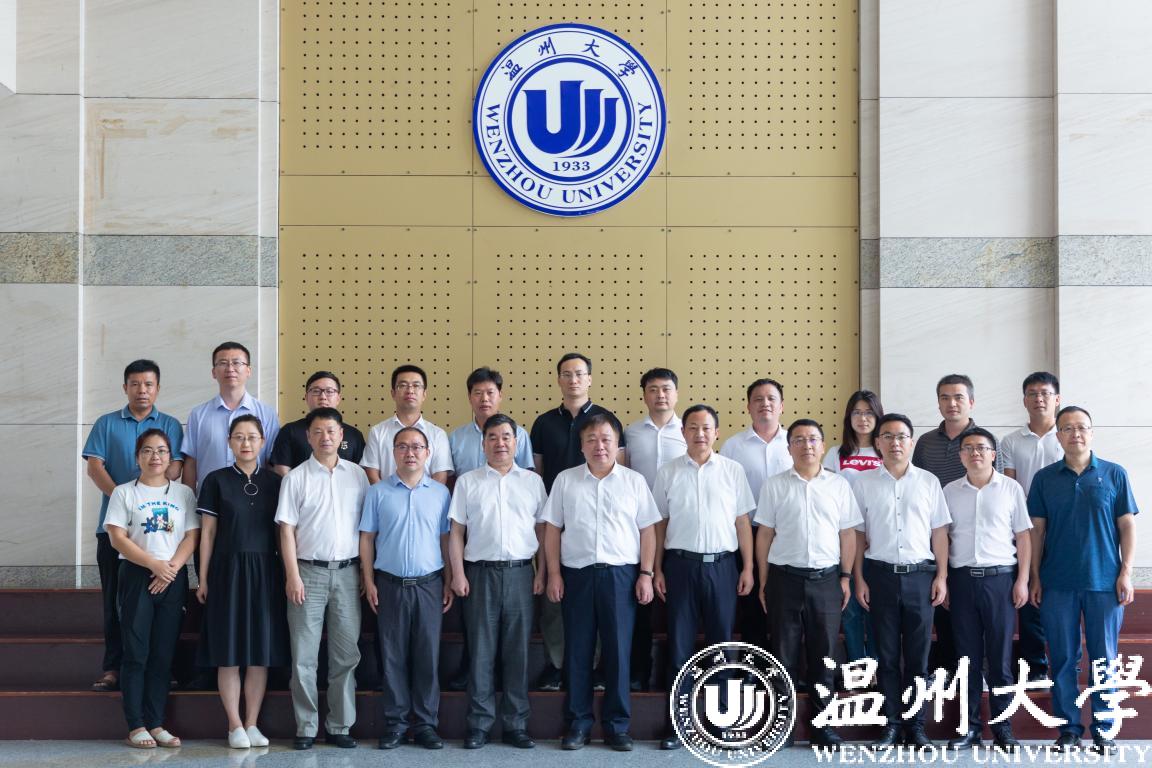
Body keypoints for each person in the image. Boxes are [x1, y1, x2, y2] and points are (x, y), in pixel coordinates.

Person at [541, 414, 659, 751]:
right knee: (577, 651)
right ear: (581, 446)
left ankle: (617, 726)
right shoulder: (565, 480)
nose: (599, 445)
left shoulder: (634, 481)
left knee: (618, 652)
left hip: (621, 576)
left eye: (606, 439)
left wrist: (646, 574)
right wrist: (553, 573)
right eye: (591, 439)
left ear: (618, 444)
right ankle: (578, 724)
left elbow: (648, 530)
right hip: (577, 575)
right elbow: (553, 529)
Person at [1029, 406, 1138, 755]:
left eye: (1082, 427)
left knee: (1104, 658)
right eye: (1067, 428)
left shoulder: (1114, 473)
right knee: (1062, 658)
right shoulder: (1044, 479)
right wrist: (1034, 577)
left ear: (1091, 433)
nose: (1075, 433)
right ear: (1058, 436)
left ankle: (1104, 729)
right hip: (1057, 582)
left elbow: (1127, 525)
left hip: (1104, 582)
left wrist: (1126, 572)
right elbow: (1037, 532)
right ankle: (1068, 729)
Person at [652, 404, 754, 750]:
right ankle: (678, 723)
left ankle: (721, 720)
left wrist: (748, 567)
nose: (699, 434)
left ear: (716, 432)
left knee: (720, 646)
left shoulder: (732, 470)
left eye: (706, 428)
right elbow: (660, 524)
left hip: (722, 567)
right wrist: (656, 568)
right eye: (693, 427)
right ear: (683, 432)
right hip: (680, 566)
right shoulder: (668, 472)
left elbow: (742, 522)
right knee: (679, 646)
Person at [756, 419, 860, 749]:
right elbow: (765, 534)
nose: (806, 445)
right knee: (782, 655)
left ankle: (822, 726)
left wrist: (846, 576)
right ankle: (781, 726)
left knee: (824, 656)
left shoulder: (838, 485)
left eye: (813, 439)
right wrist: (763, 580)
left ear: (823, 445)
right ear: (789, 448)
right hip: (783, 578)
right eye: (799, 440)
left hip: (826, 580)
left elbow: (848, 534)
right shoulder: (774, 485)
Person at [83, 359, 184, 694]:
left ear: (158, 388)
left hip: (160, 536)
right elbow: (94, 467)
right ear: (125, 387)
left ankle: (160, 668)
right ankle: (113, 667)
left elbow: (175, 469)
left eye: (149, 384)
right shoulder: (106, 423)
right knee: (115, 601)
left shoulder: (170, 425)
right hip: (115, 532)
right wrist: (126, 500)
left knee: (163, 606)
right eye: (136, 384)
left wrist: (145, 495)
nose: (142, 390)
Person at [448, 414, 546, 750]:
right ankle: (479, 725)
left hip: (521, 573)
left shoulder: (532, 482)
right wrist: (458, 573)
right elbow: (456, 531)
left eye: (506, 437)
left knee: (517, 652)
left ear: (516, 443)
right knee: (481, 652)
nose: (500, 443)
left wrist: (542, 572)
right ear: (483, 443)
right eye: (492, 437)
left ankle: (516, 724)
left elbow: (542, 531)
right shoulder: (468, 482)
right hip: (479, 575)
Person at [530, 352, 626, 691]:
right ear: (559, 380)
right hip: (554, 519)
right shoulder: (543, 423)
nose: (573, 380)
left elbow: (620, 469)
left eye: (579, 374)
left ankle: (596, 667)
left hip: (598, 521)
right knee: (554, 595)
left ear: (589, 379)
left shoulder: (606, 420)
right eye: (567, 374)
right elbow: (537, 474)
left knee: (598, 600)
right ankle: (557, 665)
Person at [853, 413, 950, 748]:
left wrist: (942, 575)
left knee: (919, 657)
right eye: (888, 436)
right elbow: (857, 536)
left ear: (911, 442)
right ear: (878, 443)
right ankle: (892, 724)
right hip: (879, 576)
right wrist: (858, 578)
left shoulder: (928, 482)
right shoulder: (863, 483)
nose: (895, 443)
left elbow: (939, 532)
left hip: (920, 577)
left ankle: (916, 725)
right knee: (887, 655)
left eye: (901, 437)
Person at [275, 407, 370, 751]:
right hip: (308, 574)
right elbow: (286, 531)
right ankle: (306, 726)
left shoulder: (357, 476)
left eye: (331, 431)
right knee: (304, 655)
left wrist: (366, 572)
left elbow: (367, 530)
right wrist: (292, 575)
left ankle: (339, 726)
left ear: (342, 436)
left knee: (346, 654)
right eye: (318, 431)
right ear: (308, 436)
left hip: (348, 573)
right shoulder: (296, 478)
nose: (325, 437)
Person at [195, 415, 290, 749]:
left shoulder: (276, 482)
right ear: (229, 442)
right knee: (229, 650)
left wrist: (288, 574)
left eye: (252, 437)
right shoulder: (215, 480)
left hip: (266, 571)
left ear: (263, 442)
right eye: (238, 437)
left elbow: (283, 534)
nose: (245, 443)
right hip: (227, 570)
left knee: (259, 651)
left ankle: (252, 723)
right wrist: (202, 576)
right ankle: (233, 724)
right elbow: (208, 534)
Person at [103, 429, 200, 749]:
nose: (154, 456)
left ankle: (156, 723)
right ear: (137, 457)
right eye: (147, 450)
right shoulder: (124, 493)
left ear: (170, 457)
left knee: (162, 654)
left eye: (161, 450)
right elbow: (117, 538)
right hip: (136, 575)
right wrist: (153, 565)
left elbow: (192, 536)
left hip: (173, 576)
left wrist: (170, 569)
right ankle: (136, 725)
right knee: (136, 653)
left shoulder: (183, 494)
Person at [360, 426, 454, 750]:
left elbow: (446, 539)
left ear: (427, 453)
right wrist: (368, 580)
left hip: (429, 585)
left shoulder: (440, 494)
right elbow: (367, 538)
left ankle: (426, 725)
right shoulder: (378, 492)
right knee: (393, 657)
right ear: (393, 453)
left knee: (428, 656)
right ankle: (396, 724)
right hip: (390, 584)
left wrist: (449, 579)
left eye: (416, 447)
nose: (410, 453)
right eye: (403, 446)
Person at [943, 428, 1029, 751]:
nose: (975, 453)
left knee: (1000, 659)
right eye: (968, 448)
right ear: (961, 456)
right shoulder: (949, 491)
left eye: (982, 447)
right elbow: (942, 537)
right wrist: (943, 579)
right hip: (961, 580)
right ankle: (969, 729)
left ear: (993, 454)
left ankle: (1003, 728)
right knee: (966, 659)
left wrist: (1022, 580)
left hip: (1000, 581)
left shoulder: (1011, 488)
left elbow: (1023, 536)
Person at [912, 374, 989, 682]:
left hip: (972, 537)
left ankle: (976, 671)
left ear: (971, 402)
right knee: (941, 603)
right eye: (945, 397)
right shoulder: (925, 443)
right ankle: (946, 669)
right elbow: (916, 484)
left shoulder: (983, 441)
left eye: (958, 397)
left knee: (973, 610)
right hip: (934, 535)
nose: (952, 403)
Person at [623, 367, 686, 693]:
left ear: (676, 393)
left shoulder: (689, 430)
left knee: (679, 607)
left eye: (666, 388)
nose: (660, 395)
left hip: (680, 528)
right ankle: (640, 670)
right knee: (641, 603)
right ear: (644, 395)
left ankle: (677, 673)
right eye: (653, 389)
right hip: (639, 528)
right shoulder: (630, 433)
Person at [1001, 372, 1063, 684]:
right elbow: (1009, 489)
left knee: (1061, 600)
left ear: (1057, 399)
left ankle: (1064, 665)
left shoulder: (1066, 436)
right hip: (1024, 532)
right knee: (1027, 599)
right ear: (1024, 400)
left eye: (1045, 393)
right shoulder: (1011, 441)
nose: (1039, 399)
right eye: (1032, 393)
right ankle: (1035, 667)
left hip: (1062, 531)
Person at [720, 377, 790, 649]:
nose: (765, 404)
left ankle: (783, 663)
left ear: (781, 406)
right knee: (751, 604)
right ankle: (754, 663)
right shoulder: (733, 446)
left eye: (771, 399)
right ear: (748, 406)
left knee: (784, 603)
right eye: (758, 399)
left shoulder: (794, 443)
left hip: (787, 535)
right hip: (747, 533)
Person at [822, 390, 884, 666]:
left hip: (879, 541)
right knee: (850, 607)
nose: (863, 418)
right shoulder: (836, 454)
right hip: (844, 540)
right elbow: (826, 495)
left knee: (876, 607)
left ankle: (878, 666)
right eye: (857, 413)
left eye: (869, 413)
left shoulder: (887, 450)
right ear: (849, 418)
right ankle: (858, 667)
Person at [183, 342, 280, 492]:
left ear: (248, 370)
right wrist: (188, 501)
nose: (230, 368)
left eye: (237, 363)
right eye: (223, 363)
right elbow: (190, 463)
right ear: (213, 372)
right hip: (210, 500)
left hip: (255, 497)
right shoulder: (198, 415)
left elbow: (271, 462)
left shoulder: (267, 414)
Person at [362, 365, 453, 485]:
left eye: (416, 385)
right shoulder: (377, 432)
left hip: (426, 497)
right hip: (386, 497)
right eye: (403, 385)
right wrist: (386, 494)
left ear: (424, 394)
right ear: (393, 393)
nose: (410, 390)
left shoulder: (438, 434)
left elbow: (440, 477)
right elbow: (372, 473)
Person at [270, 371, 366, 474]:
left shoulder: (354, 435)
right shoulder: (290, 431)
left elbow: (360, 473)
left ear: (338, 398)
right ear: (306, 397)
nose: (323, 397)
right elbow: (281, 471)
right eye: (316, 391)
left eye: (329, 391)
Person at [448, 367, 534, 476]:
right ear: (469, 397)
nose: (484, 399)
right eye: (478, 393)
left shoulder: (519, 434)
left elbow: (526, 476)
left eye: (490, 392)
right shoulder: (456, 437)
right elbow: (450, 479)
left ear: (500, 395)